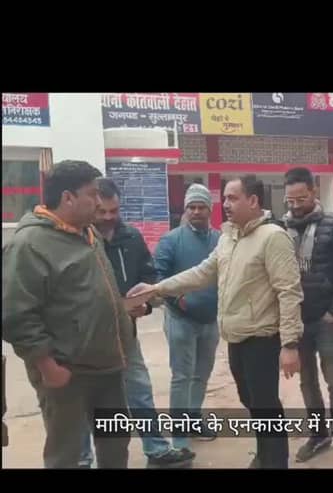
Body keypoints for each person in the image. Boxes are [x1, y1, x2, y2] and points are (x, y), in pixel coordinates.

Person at [128, 176, 303, 469]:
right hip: (236, 337)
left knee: (266, 406)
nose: (226, 204)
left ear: (253, 201)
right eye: (225, 198)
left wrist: (290, 343)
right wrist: (157, 288)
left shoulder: (273, 237)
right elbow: (201, 273)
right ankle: (264, 455)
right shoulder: (229, 238)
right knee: (251, 401)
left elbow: (289, 292)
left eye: (233, 198)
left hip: (262, 338)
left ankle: (275, 462)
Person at [2, 160, 136, 469]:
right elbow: (16, 315)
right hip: (67, 373)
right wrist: (47, 365)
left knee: (116, 444)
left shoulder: (88, 233)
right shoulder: (29, 244)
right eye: (92, 194)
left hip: (108, 367)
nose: (99, 202)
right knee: (66, 453)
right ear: (68, 198)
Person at [79, 179, 191, 470]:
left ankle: (156, 449)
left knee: (140, 389)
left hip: (125, 332)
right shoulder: (78, 239)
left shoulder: (131, 237)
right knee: (83, 400)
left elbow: (149, 275)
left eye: (113, 211)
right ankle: (81, 460)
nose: (108, 217)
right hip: (86, 338)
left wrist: (146, 303)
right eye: (101, 211)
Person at [283, 167, 333, 469]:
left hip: (326, 319)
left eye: (300, 199)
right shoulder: (282, 227)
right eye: (290, 200)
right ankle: (318, 435)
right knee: (307, 382)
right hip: (298, 321)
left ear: (313, 192)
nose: (295, 205)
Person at [154, 184, 221, 455]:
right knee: (182, 376)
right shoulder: (171, 240)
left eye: (201, 206)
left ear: (210, 209)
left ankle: (193, 418)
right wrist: (177, 300)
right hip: (180, 320)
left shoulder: (220, 241)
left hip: (210, 321)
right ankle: (179, 435)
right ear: (185, 210)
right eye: (191, 207)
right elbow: (158, 277)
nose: (196, 211)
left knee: (202, 374)